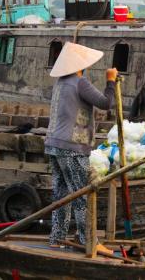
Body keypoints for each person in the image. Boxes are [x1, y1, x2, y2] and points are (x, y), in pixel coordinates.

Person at [45, 41, 117, 251]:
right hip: (71, 147)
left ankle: (57, 239)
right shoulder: (79, 82)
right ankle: (89, 242)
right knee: (81, 195)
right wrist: (110, 81)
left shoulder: (60, 82)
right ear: (78, 65)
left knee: (61, 195)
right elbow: (106, 103)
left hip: (54, 145)